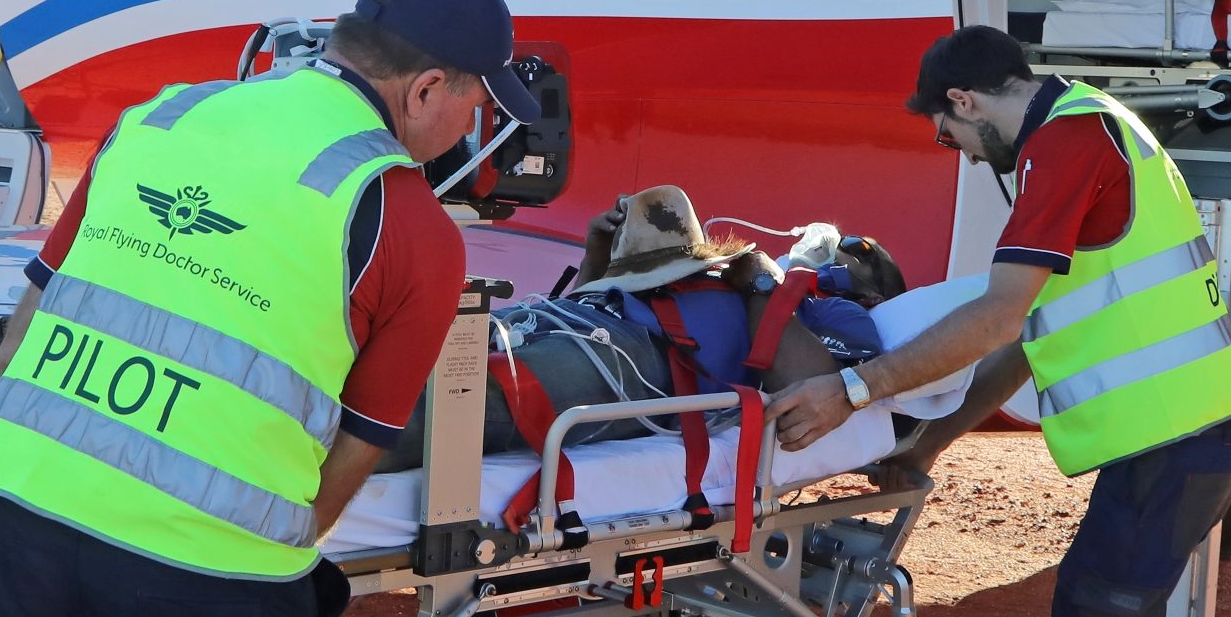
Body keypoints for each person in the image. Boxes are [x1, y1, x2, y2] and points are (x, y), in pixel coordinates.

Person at [0, 0, 538, 617]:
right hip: (195, 571)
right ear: (423, 89)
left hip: (29, 522)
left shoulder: (162, 116)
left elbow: (27, 319)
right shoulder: (403, 219)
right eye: (474, 103)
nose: (471, 125)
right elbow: (351, 454)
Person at [765, 25, 1231, 617]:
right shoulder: (1084, 124)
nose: (957, 151)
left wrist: (851, 389)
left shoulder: (1064, 141)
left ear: (964, 100)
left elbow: (996, 313)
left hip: (1178, 435)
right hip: (1186, 429)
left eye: (948, 132)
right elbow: (1029, 329)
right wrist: (929, 444)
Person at [377, 185, 907, 473]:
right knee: (411, 347)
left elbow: (812, 384)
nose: (840, 249)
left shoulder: (842, 316)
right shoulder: (722, 275)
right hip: (584, 326)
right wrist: (596, 261)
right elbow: (581, 308)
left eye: (860, 254)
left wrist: (769, 287)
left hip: (645, 363)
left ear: (874, 292)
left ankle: (315, 458)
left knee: (451, 401)